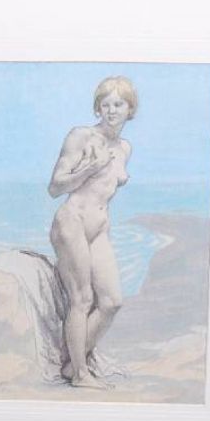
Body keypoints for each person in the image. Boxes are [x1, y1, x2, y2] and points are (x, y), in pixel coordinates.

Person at [48, 76, 137, 389]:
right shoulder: (81, 136)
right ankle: (80, 375)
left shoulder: (125, 148)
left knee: (111, 302)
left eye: (119, 104)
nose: (111, 110)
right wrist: (89, 169)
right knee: (82, 299)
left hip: (98, 229)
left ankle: (72, 362)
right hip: (71, 222)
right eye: (105, 104)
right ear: (97, 108)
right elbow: (54, 187)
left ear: (130, 110)